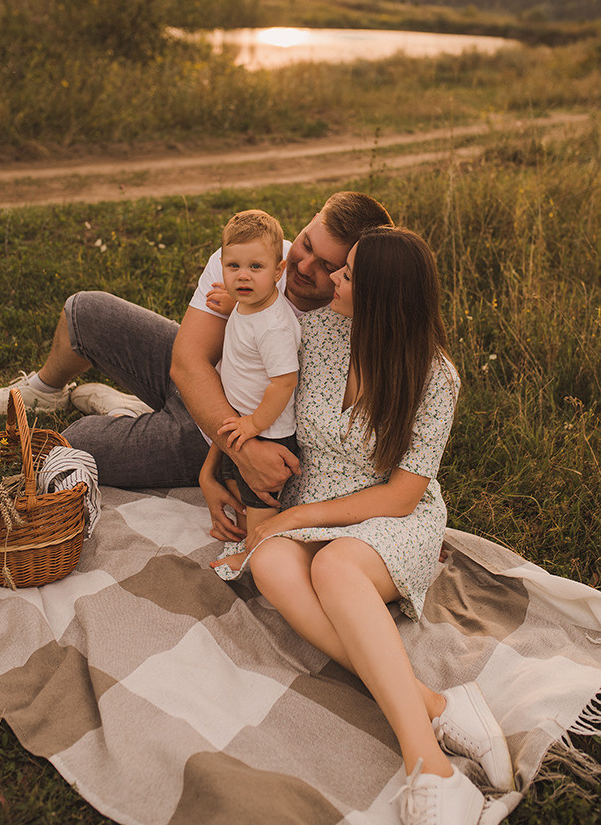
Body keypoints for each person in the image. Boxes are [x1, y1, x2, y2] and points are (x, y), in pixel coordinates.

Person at [214, 227, 513, 825]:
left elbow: (403, 493)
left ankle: (429, 765)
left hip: (389, 516)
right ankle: (434, 702)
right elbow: (249, 398)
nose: (332, 280)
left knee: (335, 568)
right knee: (271, 562)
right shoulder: (315, 333)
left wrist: (299, 516)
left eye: (347, 274)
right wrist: (213, 468)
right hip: (317, 497)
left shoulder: (435, 377)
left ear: (379, 295)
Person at [0, 192, 393, 539]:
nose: (303, 267)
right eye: (306, 244)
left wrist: (229, 458)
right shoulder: (255, 256)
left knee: (74, 444)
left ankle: (127, 413)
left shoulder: (348, 316)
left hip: (217, 430)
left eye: (328, 266)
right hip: (205, 385)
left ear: (356, 271)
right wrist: (240, 451)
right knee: (85, 311)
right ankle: (46, 391)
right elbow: (188, 360)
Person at [199, 210, 300, 546]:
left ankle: (255, 555)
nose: (243, 276)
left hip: (267, 433)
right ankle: (245, 540)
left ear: (278, 272)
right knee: (239, 492)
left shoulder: (275, 328)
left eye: (256, 267)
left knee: (260, 504)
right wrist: (235, 301)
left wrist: (254, 425)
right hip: (240, 422)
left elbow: (284, 383)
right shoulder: (248, 304)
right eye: (233, 267)